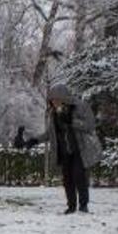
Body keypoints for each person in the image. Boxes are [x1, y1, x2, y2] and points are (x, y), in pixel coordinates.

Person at [38, 83, 102, 214]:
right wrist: (33, 140)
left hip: (80, 149)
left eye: (57, 100)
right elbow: (50, 133)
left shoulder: (81, 107)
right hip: (64, 151)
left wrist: (72, 122)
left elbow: (90, 125)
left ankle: (83, 205)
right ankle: (71, 206)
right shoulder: (53, 114)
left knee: (79, 176)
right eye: (52, 100)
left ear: (64, 99)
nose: (54, 103)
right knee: (67, 179)